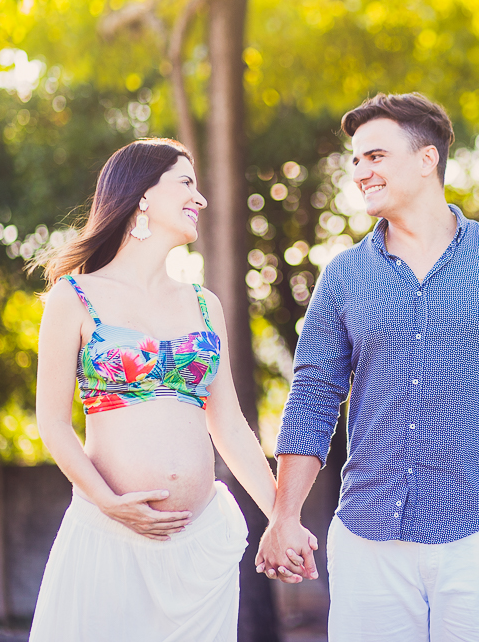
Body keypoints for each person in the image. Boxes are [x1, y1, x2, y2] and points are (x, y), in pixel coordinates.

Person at [256, 94, 479, 641]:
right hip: (369, 539)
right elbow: (313, 395)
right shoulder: (343, 278)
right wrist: (284, 515)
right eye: (356, 160)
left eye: (376, 156)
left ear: (427, 159)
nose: (361, 171)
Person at [29, 138, 278, 642]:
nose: (200, 199)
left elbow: (228, 424)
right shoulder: (73, 297)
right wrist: (106, 501)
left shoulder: (205, 304)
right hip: (110, 534)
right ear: (142, 195)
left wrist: (283, 515)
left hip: (200, 547)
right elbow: (53, 424)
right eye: (187, 183)